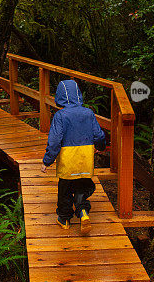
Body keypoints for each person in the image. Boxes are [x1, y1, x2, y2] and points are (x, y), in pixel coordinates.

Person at [41, 79, 106, 234]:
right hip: (85, 158)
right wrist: (100, 147)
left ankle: (64, 219)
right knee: (82, 185)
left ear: (60, 96)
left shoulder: (60, 116)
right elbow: (99, 135)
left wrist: (47, 161)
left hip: (67, 160)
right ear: (78, 95)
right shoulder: (88, 113)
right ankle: (83, 212)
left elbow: (55, 140)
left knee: (65, 189)